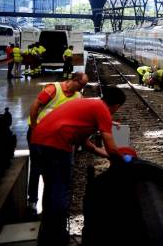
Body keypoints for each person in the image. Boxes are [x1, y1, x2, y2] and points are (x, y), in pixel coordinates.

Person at [30, 86, 126, 245]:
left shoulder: (90, 106)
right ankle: (58, 236)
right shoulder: (101, 109)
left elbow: (88, 145)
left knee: (51, 188)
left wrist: (108, 155)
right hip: (56, 144)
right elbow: (110, 143)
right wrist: (122, 162)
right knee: (61, 190)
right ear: (116, 106)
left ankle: (48, 232)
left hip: (39, 141)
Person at [27, 72, 88, 213]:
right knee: (36, 167)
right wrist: (35, 128)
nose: (82, 88)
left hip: (56, 138)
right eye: (81, 85)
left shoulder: (78, 96)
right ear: (74, 80)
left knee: (54, 170)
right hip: (38, 133)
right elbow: (35, 106)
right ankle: (32, 200)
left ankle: (54, 204)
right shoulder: (53, 89)